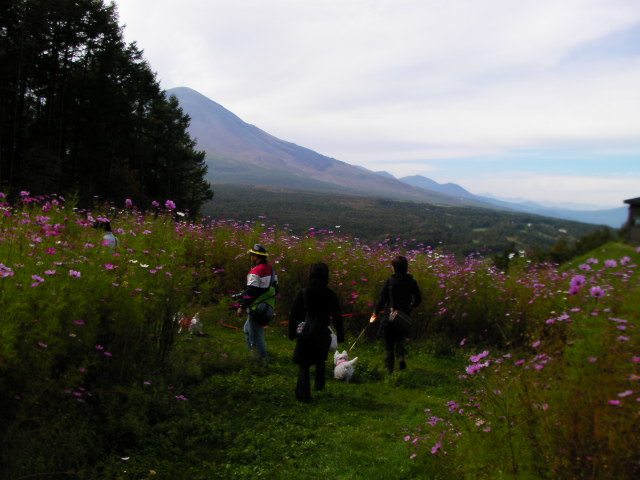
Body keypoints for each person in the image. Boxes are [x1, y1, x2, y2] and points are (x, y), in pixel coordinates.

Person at [288, 263, 344, 403]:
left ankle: (303, 396)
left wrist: (291, 332)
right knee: (320, 359)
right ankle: (319, 385)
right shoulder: (330, 294)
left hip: (305, 332)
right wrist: (340, 334)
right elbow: (337, 316)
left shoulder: (303, 293)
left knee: (304, 365)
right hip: (322, 332)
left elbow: (294, 315)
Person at [370, 255, 421, 373]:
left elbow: (381, 300)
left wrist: (375, 313)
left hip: (390, 315)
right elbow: (418, 299)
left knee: (389, 342)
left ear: (394, 268)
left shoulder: (390, 282)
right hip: (404, 315)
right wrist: (410, 307)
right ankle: (401, 357)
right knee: (400, 338)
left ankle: (389, 369)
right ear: (406, 268)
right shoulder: (412, 282)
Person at [236, 244, 278, 364]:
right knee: (247, 330)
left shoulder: (256, 271)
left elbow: (251, 291)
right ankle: (252, 356)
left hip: (257, 307)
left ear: (255, 257)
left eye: (252, 255)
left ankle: (261, 363)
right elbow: (276, 289)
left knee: (257, 338)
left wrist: (242, 307)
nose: (251, 257)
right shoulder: (271, 269)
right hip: (267, 307)